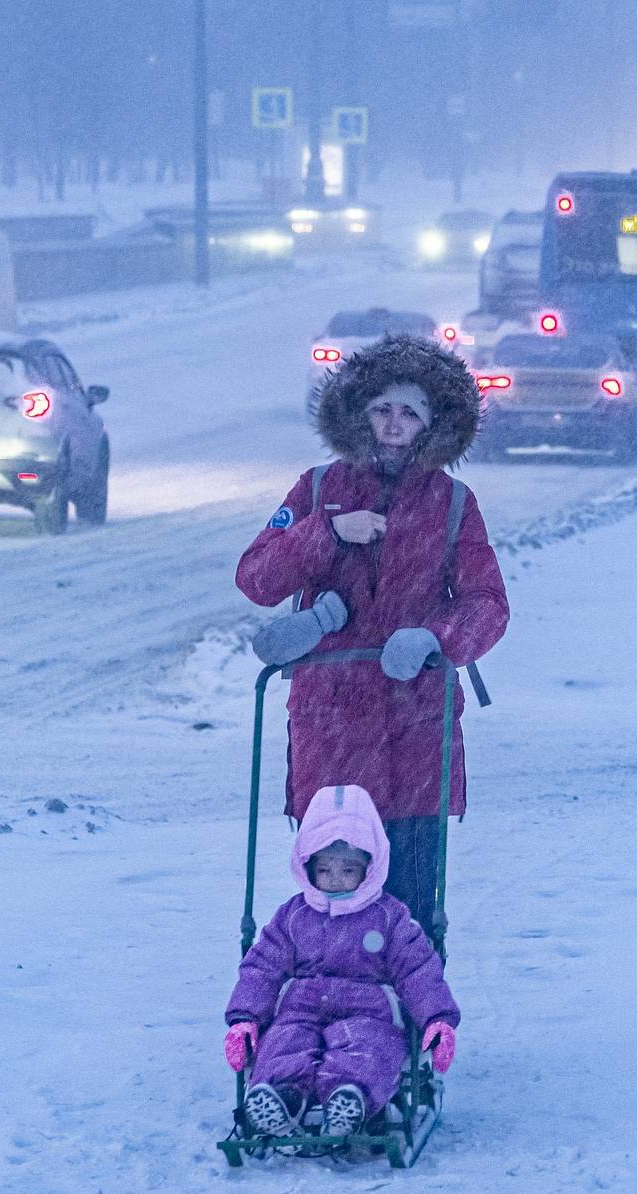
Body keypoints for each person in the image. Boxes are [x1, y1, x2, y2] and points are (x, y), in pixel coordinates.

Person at [235, 334, 509, 937]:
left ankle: (414, 1019)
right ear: (359, 412)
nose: (393, 423)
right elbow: (255, 577)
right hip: (329, 730)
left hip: (416, 731)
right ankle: (319, 1012)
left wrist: (435, 639)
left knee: (410, 903)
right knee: (328, 892)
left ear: (433, 424)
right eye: (382, 408)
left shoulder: (455, 504)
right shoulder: (314, 491)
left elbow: (488, 605)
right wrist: (326, 534)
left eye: (409, 412)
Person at [223, 784, 460, 1139]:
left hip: (368, 1011)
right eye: (325, 870)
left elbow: (418, 971)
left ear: (369, 868)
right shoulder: (292, 916)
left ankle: (347, 1098)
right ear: (308, 867)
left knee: (366, 1049)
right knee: (284, 1041)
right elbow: (262, 968)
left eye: (348, 870)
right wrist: (246, 1018)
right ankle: (281, 1096)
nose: (336, 880)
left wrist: (436, 1020)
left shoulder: (389, 917)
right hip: (299, 1009)